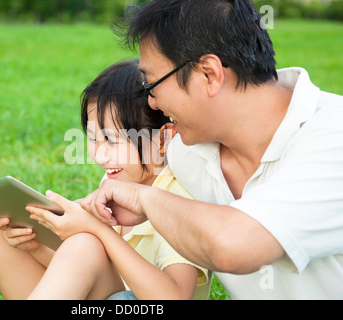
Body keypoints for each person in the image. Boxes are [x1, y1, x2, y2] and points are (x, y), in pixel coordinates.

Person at [79, 0, 343, 299]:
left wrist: (145, 199)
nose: (152, 102)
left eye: (151, 84)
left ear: (209, 74)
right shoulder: (185, 152)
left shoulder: (334, 136)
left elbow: (234, 245)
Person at [0, 59, 210, 300]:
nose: (99, 156)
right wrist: (35, 246)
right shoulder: (113, 185)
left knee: (86, 244)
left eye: (112, 141)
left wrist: (98, 232)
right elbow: (80, 274)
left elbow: (173, 297)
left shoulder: (179, 197)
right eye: (93, 139)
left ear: (161, 139)